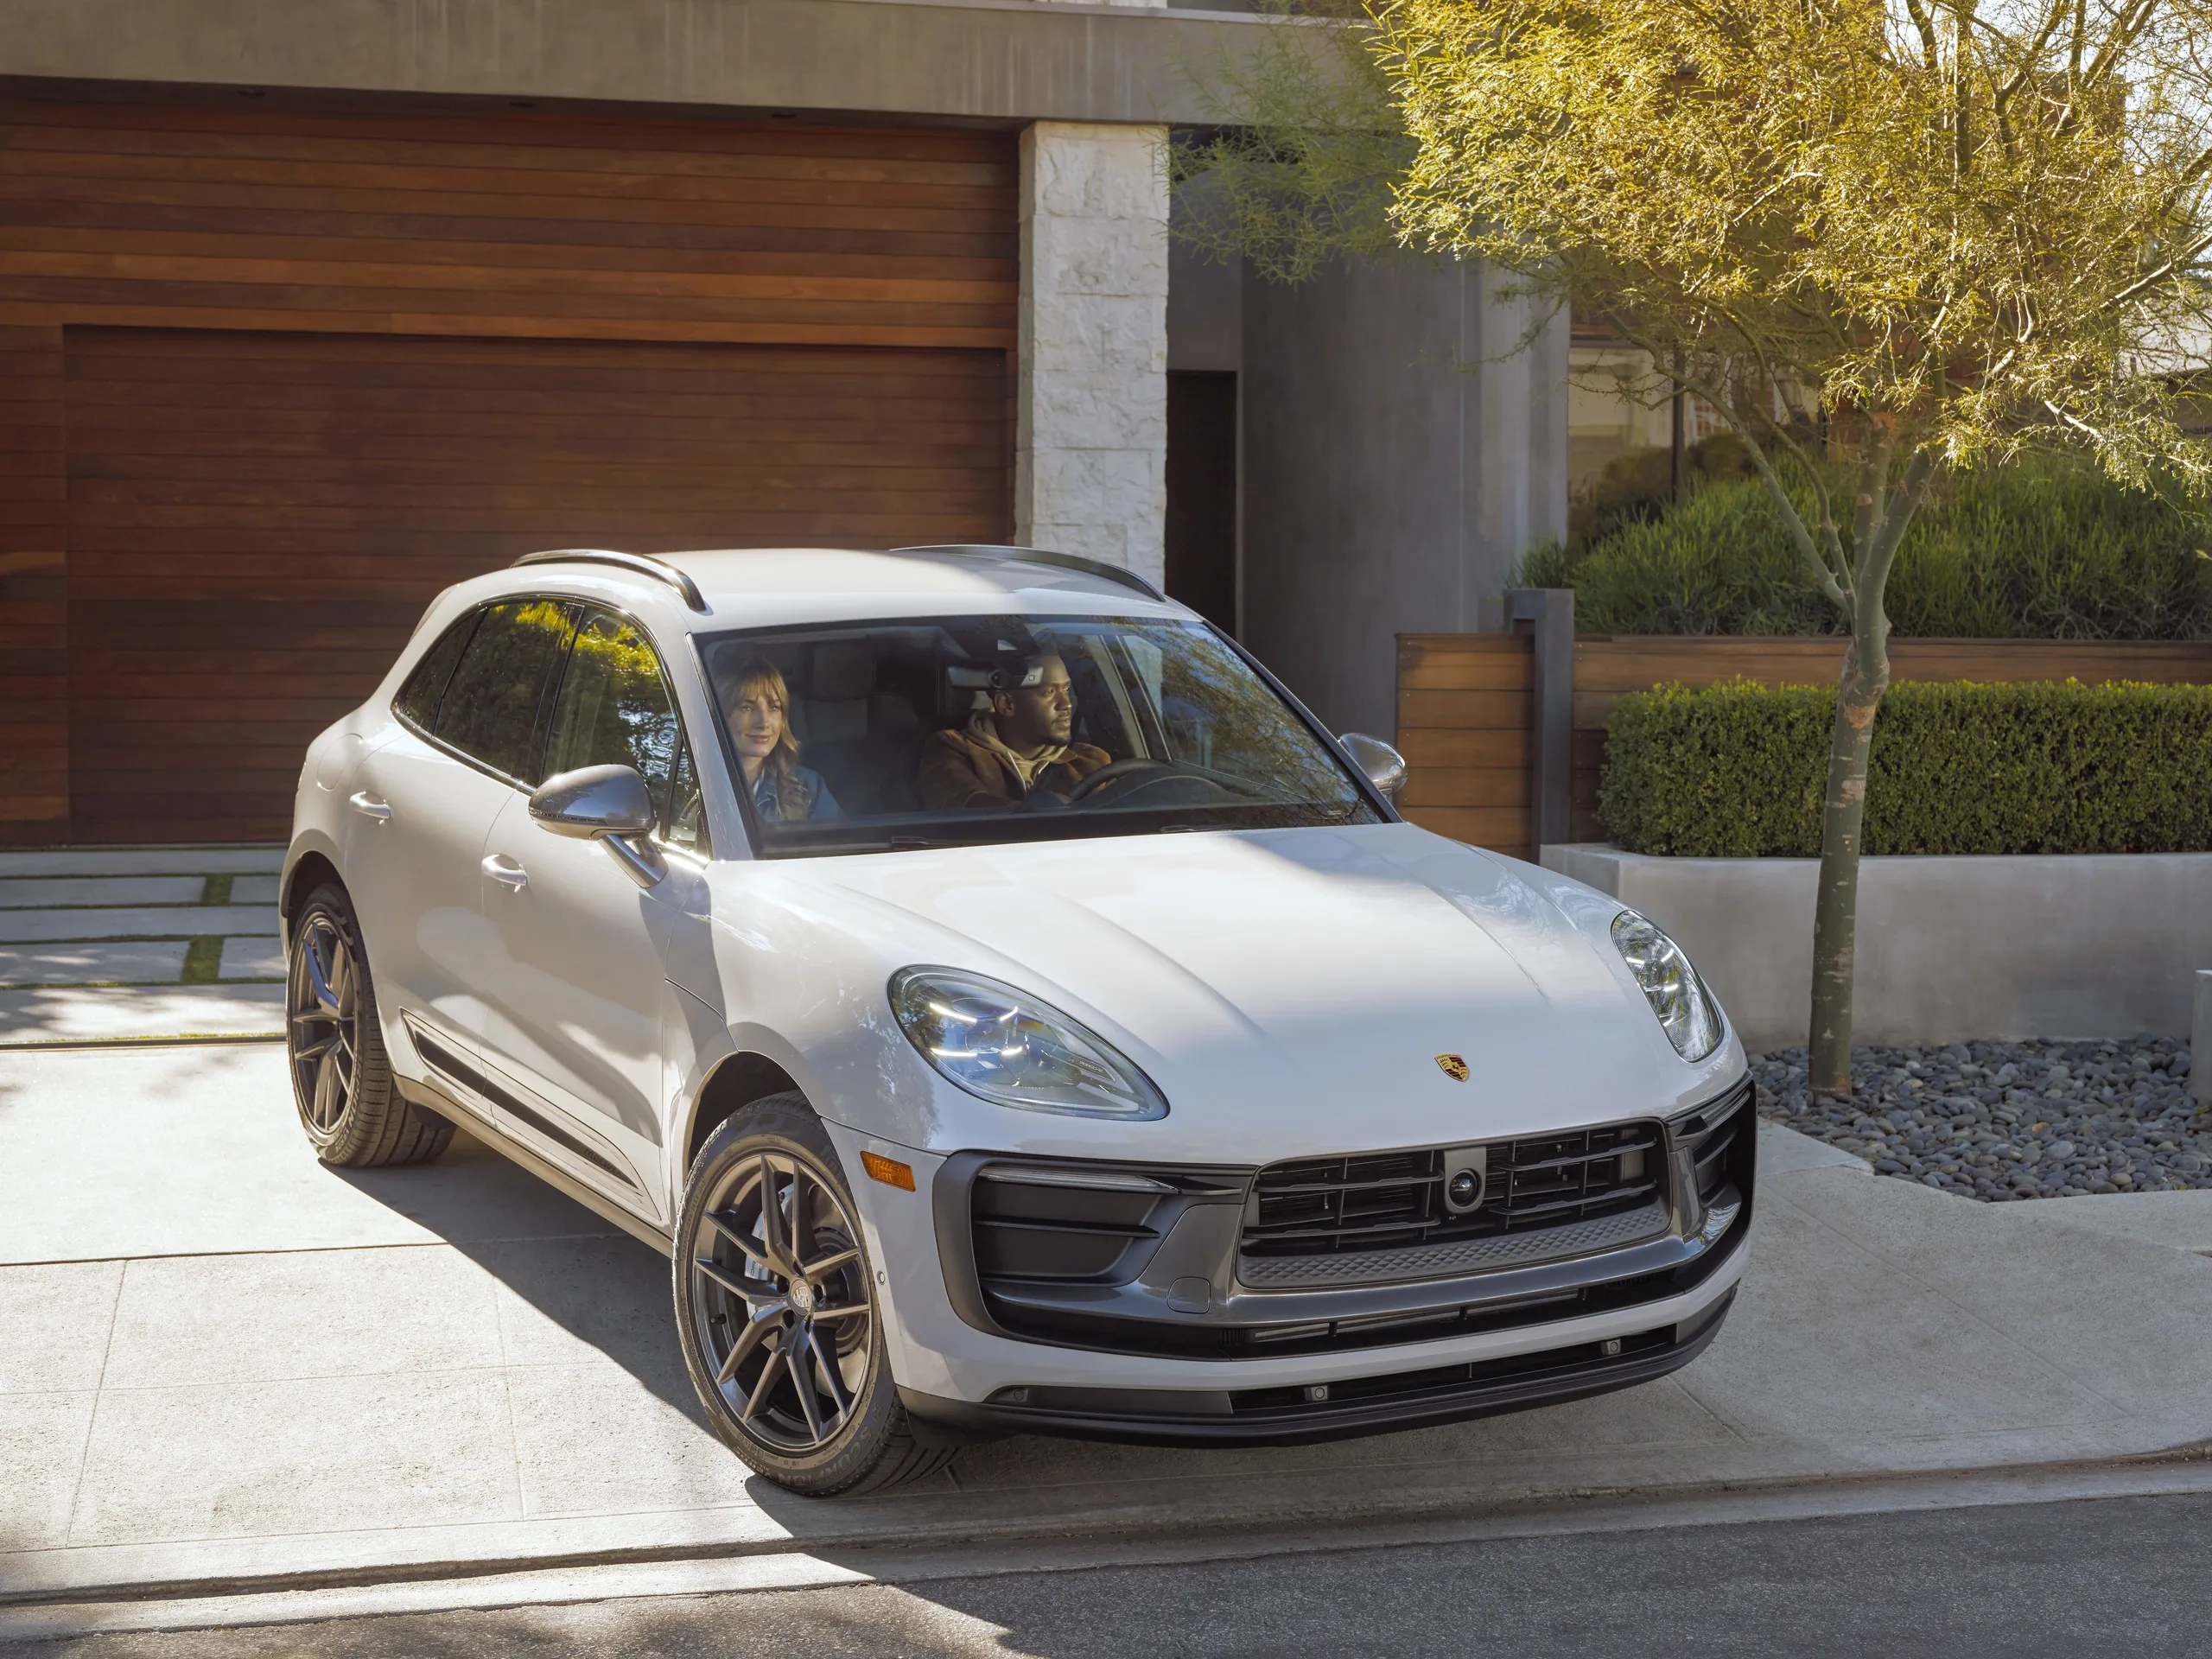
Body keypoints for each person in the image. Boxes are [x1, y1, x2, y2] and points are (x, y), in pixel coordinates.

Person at [918, 652, 1110, 810]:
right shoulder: (952, 750)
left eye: (1067, 689)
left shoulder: (1090, 761)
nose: (1066, 704)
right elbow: (965, 805)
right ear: (1006, 704)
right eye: (1049, 692)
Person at [723, 658, 841, 821]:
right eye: (747, 708)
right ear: (722, 715)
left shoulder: (808, 788)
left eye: (774, 708)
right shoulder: (700, 783)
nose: (764, 723)